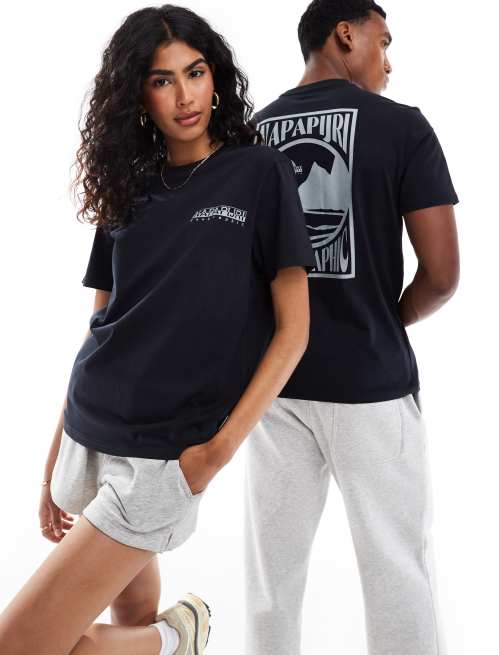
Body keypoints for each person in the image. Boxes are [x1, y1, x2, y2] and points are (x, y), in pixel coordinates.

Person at [0, 5, 316, 655]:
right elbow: (101, 326)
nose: (184, 96)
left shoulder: (258, 173)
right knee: (127, 611)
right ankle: (160, 632)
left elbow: (294, 329)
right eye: (161, 80)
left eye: (194, 73)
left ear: (215, 77)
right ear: (137, 96)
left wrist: (216, 452)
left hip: (165, 456)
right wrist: (52, 459)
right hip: (89, 430)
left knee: (22, 642)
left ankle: (176, 636)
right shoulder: (128, 186)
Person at [244, 1, 460, 654]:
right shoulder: (401, 127)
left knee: (271, 581)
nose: (388, 62)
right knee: (396, 571)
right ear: (346, 34)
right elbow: (442, 274)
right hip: (371, 383)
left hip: (275, 388)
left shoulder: (250, 134)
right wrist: (386, 318)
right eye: (383, 41)